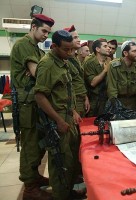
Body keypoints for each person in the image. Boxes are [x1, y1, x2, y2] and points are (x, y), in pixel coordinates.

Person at [34, 30, 86, 199]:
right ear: (54, 46)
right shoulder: (47, 64)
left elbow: (65, 91)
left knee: (70, 161)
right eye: (66, 50)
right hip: (57, 120)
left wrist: (73, 111)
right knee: (60, 164)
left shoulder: (63, 61)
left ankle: (68, 192)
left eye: (72, 49)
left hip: (68, 116)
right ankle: (60, 196)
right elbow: (40, 96)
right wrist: (58, 121)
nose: (71, 53)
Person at [10, 14, 54, 200]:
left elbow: (37, 73)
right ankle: (29, 187)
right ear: (33, 27)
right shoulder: (23, 45)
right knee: (30, 145)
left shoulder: (36, 49)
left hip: (35, 101)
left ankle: (34, 176)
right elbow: (39, 74)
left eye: (48, 32)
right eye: (43, 30)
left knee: (38, 143)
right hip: (27, 103)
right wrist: (40, 73)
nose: (46, 35)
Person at [107, 41, 136, 113]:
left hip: (134, 104)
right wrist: (116, 109)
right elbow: (112, 90)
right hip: (118, 103)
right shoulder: (114, 66)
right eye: (134, 51)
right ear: (125, 53)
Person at [64, 25, 90, 118]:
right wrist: (73, 110)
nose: (79, 39)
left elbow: (79, 80)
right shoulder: (64, 59)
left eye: (78, 37)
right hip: (72, 102)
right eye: (75, 37)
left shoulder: (75, 59)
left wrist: (85, 97)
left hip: (81, 99)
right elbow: (65, 87)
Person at [84, 38, 111, 116]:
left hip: (107, 100)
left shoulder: (109, 61)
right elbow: (92, 83)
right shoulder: (89, 63)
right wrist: (105, 70)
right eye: (105, 46)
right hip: (94, 101)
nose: (108, 48)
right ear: (98, 49)